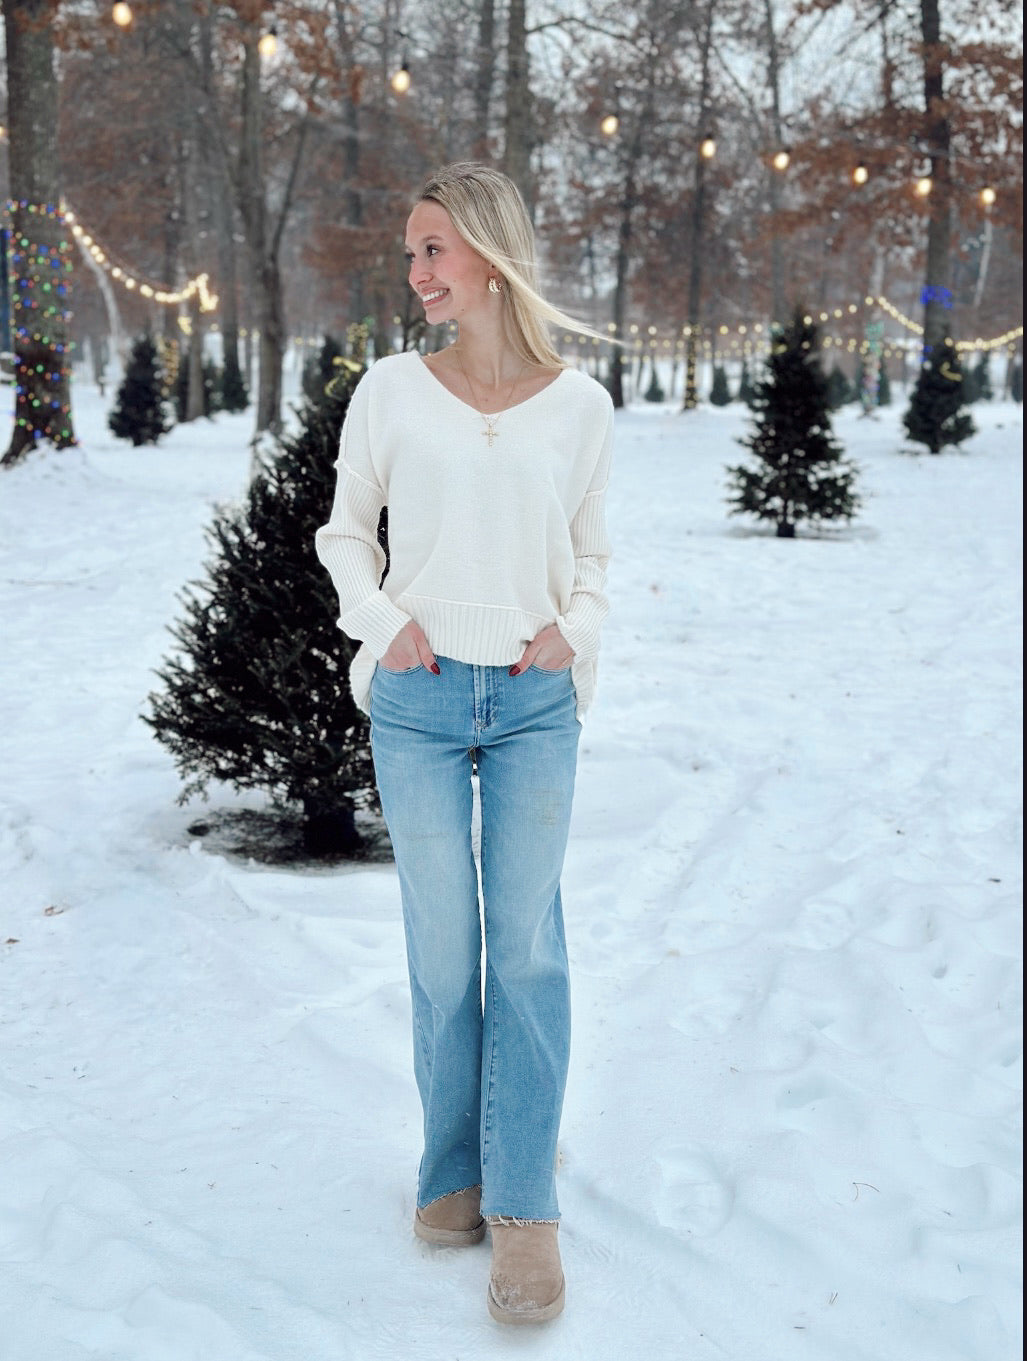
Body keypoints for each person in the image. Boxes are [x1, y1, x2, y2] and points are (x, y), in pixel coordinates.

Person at [315, 162, 614, 1325]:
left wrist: (575, 630)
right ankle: (452, 1168)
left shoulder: (579, 406)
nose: (416, 270)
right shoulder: (391, 390)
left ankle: (525, 1206)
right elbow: (345, 532)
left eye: (432, 248)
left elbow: (593, 558)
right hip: (421, 699)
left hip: (535, 702)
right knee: (443, 951)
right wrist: (381, 624)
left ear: (489, 254)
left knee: (526, 948)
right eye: (410, 252)